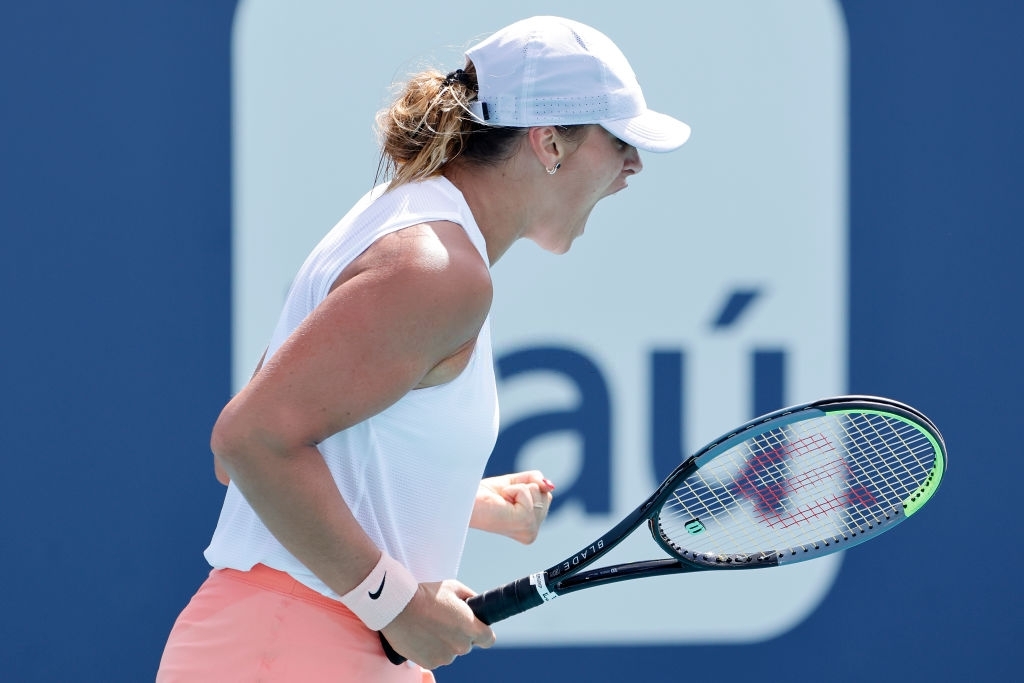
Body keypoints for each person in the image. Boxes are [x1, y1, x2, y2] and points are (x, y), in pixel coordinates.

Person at [157, 15, 690, 682]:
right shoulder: (437, 268)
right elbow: (247, 444)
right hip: (285, 653)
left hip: (296, 648)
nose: (632, 164)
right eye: (620, 142)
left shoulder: (405, 222)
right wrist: (394, 600)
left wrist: (457, 496)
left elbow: (272, 456)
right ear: (550, 141)